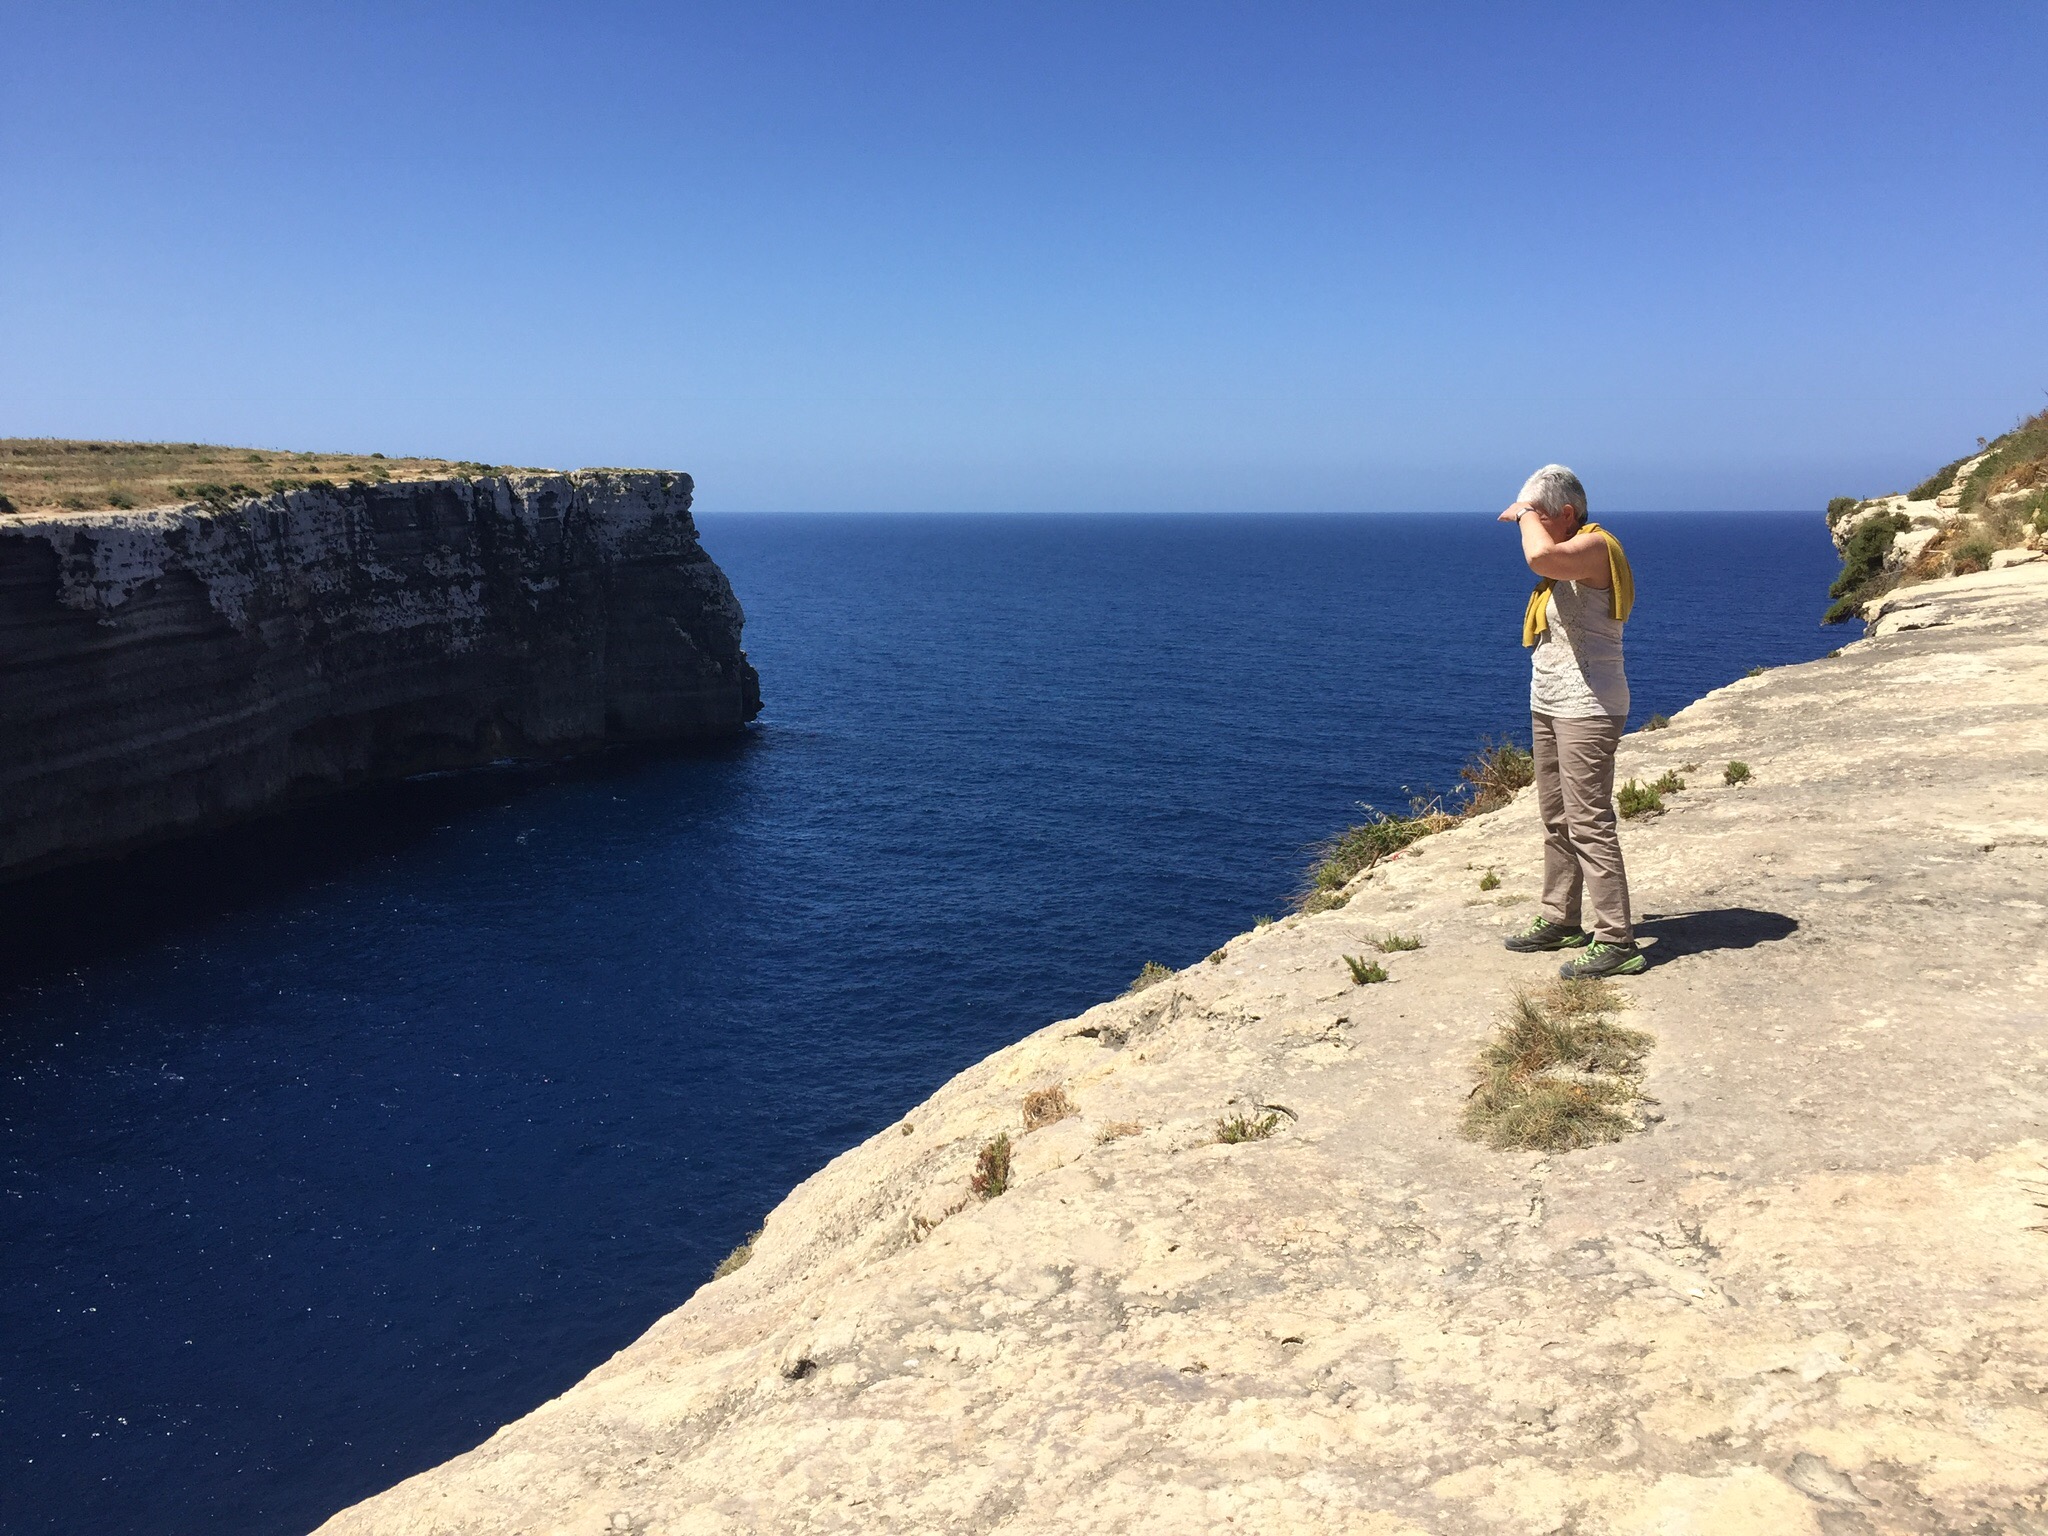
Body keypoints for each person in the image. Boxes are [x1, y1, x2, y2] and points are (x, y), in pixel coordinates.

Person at [1496, 466, 1645, 978]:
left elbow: (1539, 556)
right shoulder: (1570, 554)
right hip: (1550, 701)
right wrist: (1530, 514)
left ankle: (1617, 940)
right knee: (1555, 816)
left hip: (1589, 706)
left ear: (1565, 513)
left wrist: (1523, 514)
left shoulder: (1596, 548)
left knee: (1589, 822)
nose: (1528, 523)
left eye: (1539, 514)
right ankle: (1561, 918)